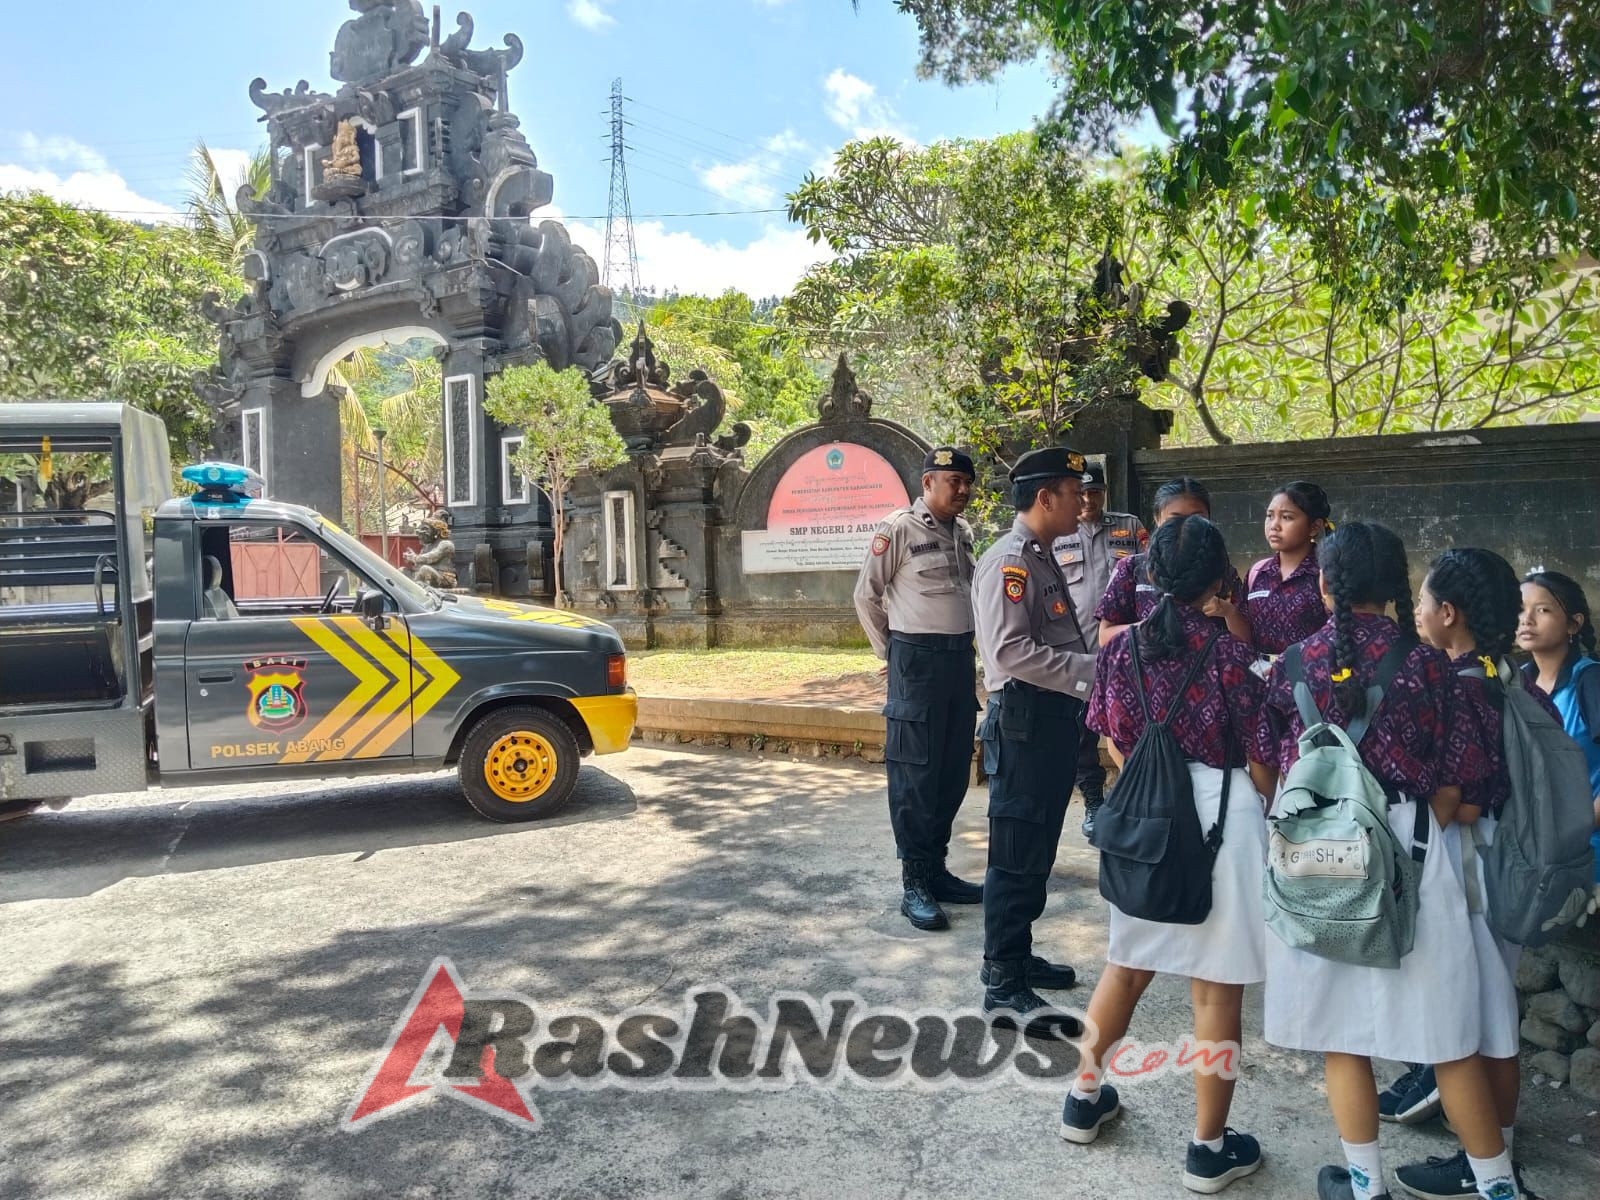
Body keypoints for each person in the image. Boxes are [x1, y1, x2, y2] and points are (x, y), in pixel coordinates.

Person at [1249, 522, 1515, 1200]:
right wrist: (1407, 824)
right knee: (1448, 1037)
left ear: (1325, 584)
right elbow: (1463, 784)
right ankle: (1498, 1187)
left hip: (1319, 856)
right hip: (1416, 853)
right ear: (1396, 583)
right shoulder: (1431, 666)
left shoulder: (1293, 664)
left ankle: (1366, 1186)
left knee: (1343, 1038)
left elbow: (1266, 768)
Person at [1066, 514, 1269, 1195]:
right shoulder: (1236, 659)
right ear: (1220, 581)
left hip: (1147, 816)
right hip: (1222, 819)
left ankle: (1083, 1099)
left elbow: (1112, 738)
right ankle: (1207, 1150)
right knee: (1215, 988)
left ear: (1151, 575)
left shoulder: (1120, 650)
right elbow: (1262, 762)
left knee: (1126, 966)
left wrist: (1150, 782)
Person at [1387, 550, 1562, 1200]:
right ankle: (1496, 1154)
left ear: (1449, 613)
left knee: (1468, 1022)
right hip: (1510, 861)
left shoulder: (1452, 689)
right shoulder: (1513, 680)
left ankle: (1486, 1169)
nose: (1418, 611)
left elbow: (1454, 801)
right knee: (1496, 1015)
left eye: (1424, 600)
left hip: (1466, 864)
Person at [972, 446, 1096, 1032]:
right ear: (1045, 498)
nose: (1083, 502)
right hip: (1023, 719)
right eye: (1073, 493)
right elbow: (1009, 652)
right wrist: (1092, 672)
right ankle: (1002, 986)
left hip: (1048, 719)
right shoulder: (1010, 562)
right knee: (1016, 854)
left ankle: (1016, 956)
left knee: (1037, 847)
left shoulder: (1041, 556)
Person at [852, 446, 983, 932]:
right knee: (915, 774)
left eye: (967, 482)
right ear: (928, 483)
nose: (963, 490)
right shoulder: (898, 529)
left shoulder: (962, 533)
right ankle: (914, 884)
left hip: (958, 660)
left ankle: (936, 871)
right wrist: (892, 652)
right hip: (915, 659)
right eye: (953, 481)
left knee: (951, 770)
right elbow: (866, 595)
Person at [1088, 477, 1249, 841]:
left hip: (1208, 703)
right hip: (1147, 705)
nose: (1187, 527)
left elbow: (1243, 644)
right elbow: (1106, 636)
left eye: (1198, 519)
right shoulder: (1132, 569)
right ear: (1157, 521)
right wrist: (1155, 626)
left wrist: (1226, 614)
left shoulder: (1220, 572)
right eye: (1176, 519)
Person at [1053, 463, 1148, 842]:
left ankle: (1134, 796)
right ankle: (1094, 801)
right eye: (1082, 493)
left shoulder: (1129, 527)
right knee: (1081, 734)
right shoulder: (1058, 532)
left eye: (1096, 492)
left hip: (1125, 652)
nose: (1088, 500)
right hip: (1079, 652)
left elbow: (1151, 576)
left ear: (1105, 492)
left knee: (1130, 726)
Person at [1519, 570, 1600, 881]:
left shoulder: (1589, 680)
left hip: (1587, 853)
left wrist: (1580, 828)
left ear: (1574, 624)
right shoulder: (1517, 683)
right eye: (1520, 609)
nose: (1527, 619)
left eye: (1542, 610)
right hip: (1538, 858)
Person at [1247, 481, 1333, 656]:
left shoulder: (1326, 574)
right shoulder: (1257, 572)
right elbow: (1245, 635)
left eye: (1286, 517)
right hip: (1260, 671)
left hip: (1310, 670)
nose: (1274, 525)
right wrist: (1228, 612)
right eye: (1270, 516)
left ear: (1314, 527)